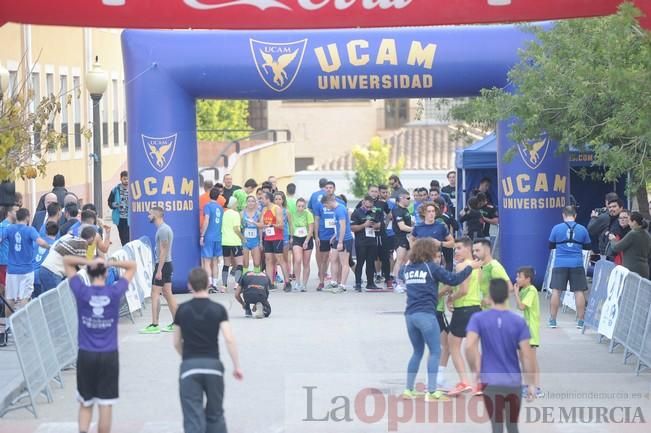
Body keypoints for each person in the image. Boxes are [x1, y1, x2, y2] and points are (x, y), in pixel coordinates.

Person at [400, 238, 479, 401]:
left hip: (410, 315)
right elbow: (454, 279)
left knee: (417, 352)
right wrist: (470, 267)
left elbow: (399, 274)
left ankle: (409, 389)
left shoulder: (407, 269)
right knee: (436, 351)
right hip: (426, 314)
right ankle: (432, 391)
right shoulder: (432, 267)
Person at [64, 255, 136, 433]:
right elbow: (132, 266)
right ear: (106, 273)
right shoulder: (114, 292)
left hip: (86, 353)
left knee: (85, 403)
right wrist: (110, 262)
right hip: (109, 354)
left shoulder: (81, 292)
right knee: (105, 404)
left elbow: (66, 260)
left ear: (88, 273)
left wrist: (90, 262)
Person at [173, 268, 243, 433]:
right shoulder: (218, 309)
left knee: (192, 418)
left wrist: (187, 359)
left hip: (190, 366)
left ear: (190, 285)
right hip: (213, 366)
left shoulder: (181, 310)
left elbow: (176, 341)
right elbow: (229, 338)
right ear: (208, 283)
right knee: (215, 415)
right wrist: (236, 366)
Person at [466, 279, 536, 433]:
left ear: (490, 295)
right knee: (512, 426)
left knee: (496, 426)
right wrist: (531, 382)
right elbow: (526, 355)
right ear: (507, 295)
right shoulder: (518, 322)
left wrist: (475, 370)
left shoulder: (478, 319)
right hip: (513, 382)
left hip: (490, 382)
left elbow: (470, 345)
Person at [446, 237, 482, 396]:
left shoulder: (462, 266)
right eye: (455, 249)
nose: (456, 252)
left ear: (468, 249)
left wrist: (451, 298)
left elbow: (463, 290)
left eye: (459, 248)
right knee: (473, 348)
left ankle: (464, 381)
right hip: (476, 308)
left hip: (463, 309)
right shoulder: (477, 266)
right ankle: (480, 383)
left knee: (453, 346)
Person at [548, 206, 592, 329]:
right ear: (575, 215)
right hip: (577, 263)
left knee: (556, 291)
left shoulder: (556, 228)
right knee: (579, 292)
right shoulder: (582, 229)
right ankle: (581, 321)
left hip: (560, 263)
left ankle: (552, 320)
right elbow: (588, 247)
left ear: (563, 215)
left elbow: (550, 245)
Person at [0, 208, 51, 314]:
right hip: (27, 270)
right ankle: (21, 323)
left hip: (12, 270)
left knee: (10, 298)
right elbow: (40, 242)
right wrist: (50, 246)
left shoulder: (9, 229)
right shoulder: (30, 230)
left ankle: (9, 326)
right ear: (27, 217)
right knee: (25, 297)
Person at [141, 207, 177, 334]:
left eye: (149, 214)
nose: (148, 216)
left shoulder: (163, 230)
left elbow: (163, 251)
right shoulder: (163, 229)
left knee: (155, 293)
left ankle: (155, 324)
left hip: (163, 265)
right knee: (167, 293)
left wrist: (159, 270)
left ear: (156, 215)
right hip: (166, 264)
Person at [512, 266, 542, 397]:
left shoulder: (531, 290)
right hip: (525, 330)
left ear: (528, 279)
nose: (516, 279)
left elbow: (521, 306)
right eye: (516, 276)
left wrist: (516, 294)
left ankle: (536, 387)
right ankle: (529, 384)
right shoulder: (525, 289)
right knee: (524, 358)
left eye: (519, 277)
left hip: (531, 331)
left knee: (531, 360)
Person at [39, 226, 97, 293]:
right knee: (57, 300)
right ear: (92, 238)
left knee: (48, 301)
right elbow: (83, 267)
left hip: (44, 269)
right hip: (53, 272)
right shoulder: (82, 243)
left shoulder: (73, 240)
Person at [313, 181, 343, 291]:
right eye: (327, 188)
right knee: (323, 259)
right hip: (324, 235)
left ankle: (338, 281)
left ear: (334, 189)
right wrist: (316, 236)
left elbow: (344, 219)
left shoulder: (340, 202)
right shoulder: (319, 204)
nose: (329, 189)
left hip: (336, 234)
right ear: (324, 189)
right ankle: (321, 281)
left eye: (331, 187)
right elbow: (316, 219)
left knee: (338, 259)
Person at [322, 194, 354, 292]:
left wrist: (340, 241)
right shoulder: (336, 210)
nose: (326, 208)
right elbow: (339, 227)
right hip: (338, 238)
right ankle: (334, 282)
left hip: (345, 239)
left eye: (325, 205)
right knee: (333, 259)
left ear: (329, 202)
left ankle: (342, 285)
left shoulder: (340, 210)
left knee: (344, 263)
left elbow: (343, 226)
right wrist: (335, 236)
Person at [260, 192, 291, 291]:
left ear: (268, 199)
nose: (261, 200)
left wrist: (272, 225)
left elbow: (281, 225)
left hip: (277, 237)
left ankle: (287, 282)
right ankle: (270, 283)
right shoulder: (264, 209)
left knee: (280, 259)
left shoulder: (277, 209)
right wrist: (254, 223)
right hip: (268, 237)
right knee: (268, 260)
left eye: (262, 199)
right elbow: (261, 223)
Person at [350, 196, 382, 291]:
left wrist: (376, 225)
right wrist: (364, 225)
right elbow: (352, 228)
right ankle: (358, 283)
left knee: (371, 263)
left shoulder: (374, 211)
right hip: (361, 242)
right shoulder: (356, 212)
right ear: (363, 202)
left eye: (370, 206)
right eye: (367, 206)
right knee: (360, 263)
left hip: (372, 241)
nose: (369, 208)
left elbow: (379, 224)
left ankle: (370, 283)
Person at [608, 212, 651, 278]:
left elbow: (616, 248)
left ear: (634, 222)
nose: (628, 223)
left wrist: (613, 239)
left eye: (629, 221)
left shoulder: (633, 234)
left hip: (631, 270)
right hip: (644, 270)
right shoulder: (647, 235)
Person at [472, 239, 511, 309]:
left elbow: (509, 287)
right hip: (485, 311)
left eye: (477, 250)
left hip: (496, 313)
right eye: (473, 251)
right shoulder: (479, 266)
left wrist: (490, 299)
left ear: (487, 251)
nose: (474, 253)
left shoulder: (494, 267)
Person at [200, 188, 224, 292]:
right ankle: (214, 284)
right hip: (218, 236)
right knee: (215, 261)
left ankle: (209, 284)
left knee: (206, 261)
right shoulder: (220, 208)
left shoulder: (207, 206)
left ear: (210, 195)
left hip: (209, 236)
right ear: (218, 196)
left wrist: (202, 235)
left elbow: (206, 220)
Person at [221, 197, 245, 292]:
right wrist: (242, 238)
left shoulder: (225, 213)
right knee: (239, 263)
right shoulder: (236, 214)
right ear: (234, 204)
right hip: (235, 241)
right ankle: (237, 283)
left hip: (225, 242)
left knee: (226, 263)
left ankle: (224, 286)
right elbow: (236, 229)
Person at [290, 198, 314, 292]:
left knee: (306, 262)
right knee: (298, 259)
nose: (300, 208)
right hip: (297, 238)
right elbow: (292, 226)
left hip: (307, 238)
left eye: (302, 206)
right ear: (296, 206)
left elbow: (311, 228)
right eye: (299, 206)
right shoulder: (293, 214)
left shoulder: (308, 214)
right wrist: (291, 237)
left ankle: (304, 284)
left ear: (305, 206)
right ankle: (297, 282)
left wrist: (307, 241)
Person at [391, 192, 413, 293]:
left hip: (407, 237)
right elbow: (402, 226)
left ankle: (402, 281)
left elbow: (408, 223)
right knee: (399, 260)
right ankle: (395, 282)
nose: (409, 200)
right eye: (408, 198)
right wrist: (415, 229)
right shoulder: (397, 210)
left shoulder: (405, 210)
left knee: (405, 261)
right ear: (401, 198)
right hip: (400, 237)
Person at [32, 221, 58, 298]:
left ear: (45, 231)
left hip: (31, 275)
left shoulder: (37, 242)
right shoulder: (56, 245)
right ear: (57, 232)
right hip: (43, 278)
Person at [378, 184, 396, 289]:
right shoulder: (376, 203)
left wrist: (386, 222)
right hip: (378, 233)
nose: (385, 194)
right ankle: (379, 274)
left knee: (389, 255)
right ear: (379, 192)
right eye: (383, 192)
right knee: (378, 256)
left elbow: (393, 216)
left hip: (390, 233)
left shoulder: (392, 204)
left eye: (387, 192)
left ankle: (390, 275)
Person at [108, 170, 130, 246]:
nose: (126, 181)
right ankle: (125, 249)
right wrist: (114, 204)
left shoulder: (133, 188)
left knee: (128, 237)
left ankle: (128, 250)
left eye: (128, 179)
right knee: (122, 237)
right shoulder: (115, 190)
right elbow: (109, 202)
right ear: (121, 179)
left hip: (129, 217)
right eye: (124, 179)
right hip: (119, 218)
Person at [242, 195, 262, 273]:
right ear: (246, 202)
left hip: (255, 241)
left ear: (255, 203)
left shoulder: (258, 213)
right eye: (249, 201)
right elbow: (239, 227)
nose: (250, 203)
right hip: (245, 241)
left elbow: (260, 227)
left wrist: (260, 241)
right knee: (245, 263)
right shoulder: (242, 213)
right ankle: (244, 280)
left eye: (253, 201)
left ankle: (256, 280)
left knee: (257, 263)